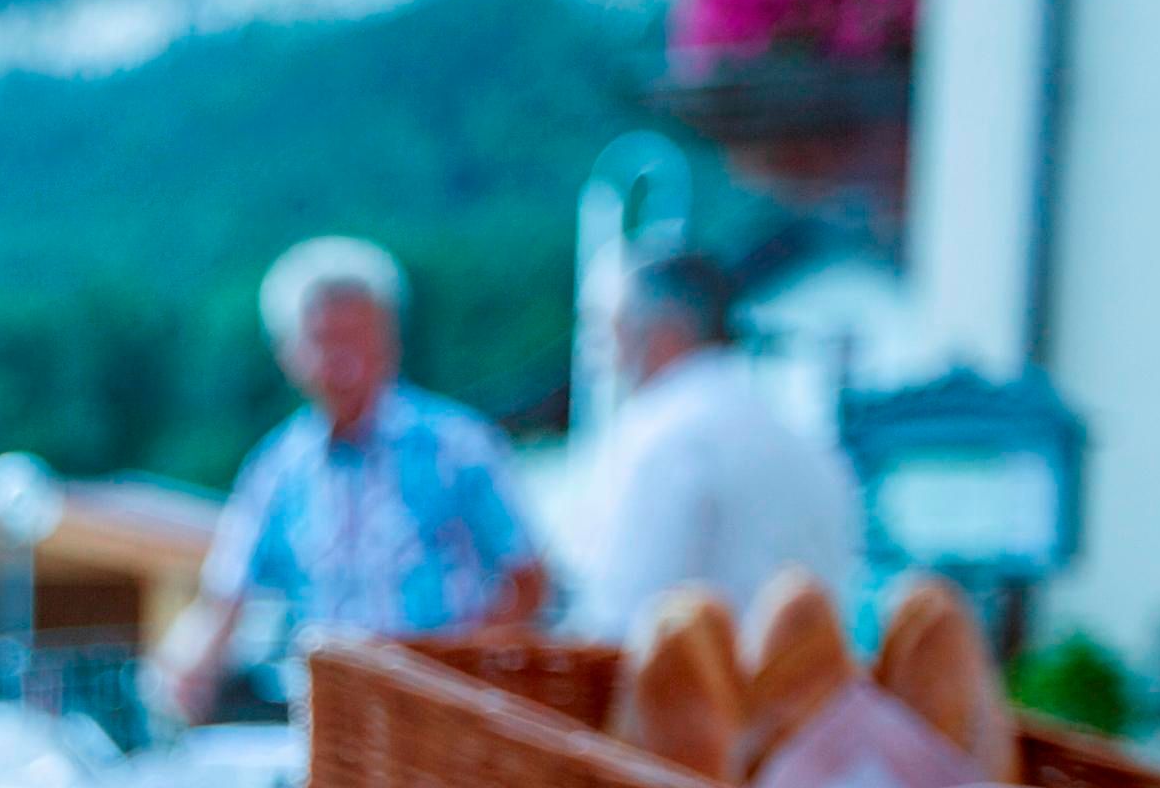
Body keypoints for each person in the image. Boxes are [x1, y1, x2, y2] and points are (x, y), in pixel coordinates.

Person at [161, 236, 544, 724]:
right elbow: (223, 600)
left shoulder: (458, 447)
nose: (343, 359)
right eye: (324, 339)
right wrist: (181, 673)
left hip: (445, 716)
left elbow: (530, 581)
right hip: (332, 720)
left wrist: (466, 665)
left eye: (358, 336)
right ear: (288, 353)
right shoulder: (277, 469)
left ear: (392, 340)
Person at [567, 251, 866, 644]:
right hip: (805, 692)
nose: (606, 359)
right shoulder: (803, 441)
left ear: (663, 333)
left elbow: (619, 616)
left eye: (614, 334)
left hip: (687, 695)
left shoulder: (659, 434)